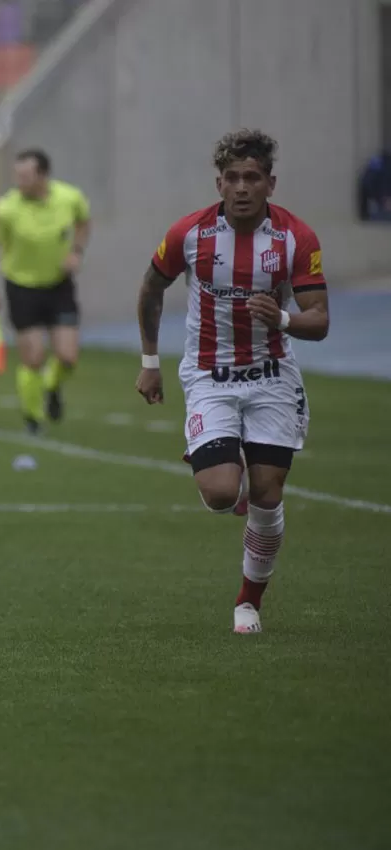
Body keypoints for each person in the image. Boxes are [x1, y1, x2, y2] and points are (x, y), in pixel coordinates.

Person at [135, 129, 329, 635]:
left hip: (271, 377)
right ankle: (230, 470)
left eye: (253, 177)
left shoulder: (296, 238)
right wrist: (150, 361)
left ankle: (248, 603)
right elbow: (151, 289)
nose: (243, 187)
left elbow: (319, 320)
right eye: (233, 177)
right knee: (222, 493)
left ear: (270, 183)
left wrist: (282, 319)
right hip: (209, 375)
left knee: (267, 493)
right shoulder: (189, 234)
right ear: (219, 183)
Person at [0, 148, 91, 433]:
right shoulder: (6, 209)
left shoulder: (69, 198)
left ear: (43, 175)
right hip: (21, 289)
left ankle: (52, 385)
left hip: (59, 285)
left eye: (25, 176)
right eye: (17, 175)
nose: (19, 181)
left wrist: (76, 252)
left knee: (68, 357)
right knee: (33, 359)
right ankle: (32, 418)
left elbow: (83, 221)